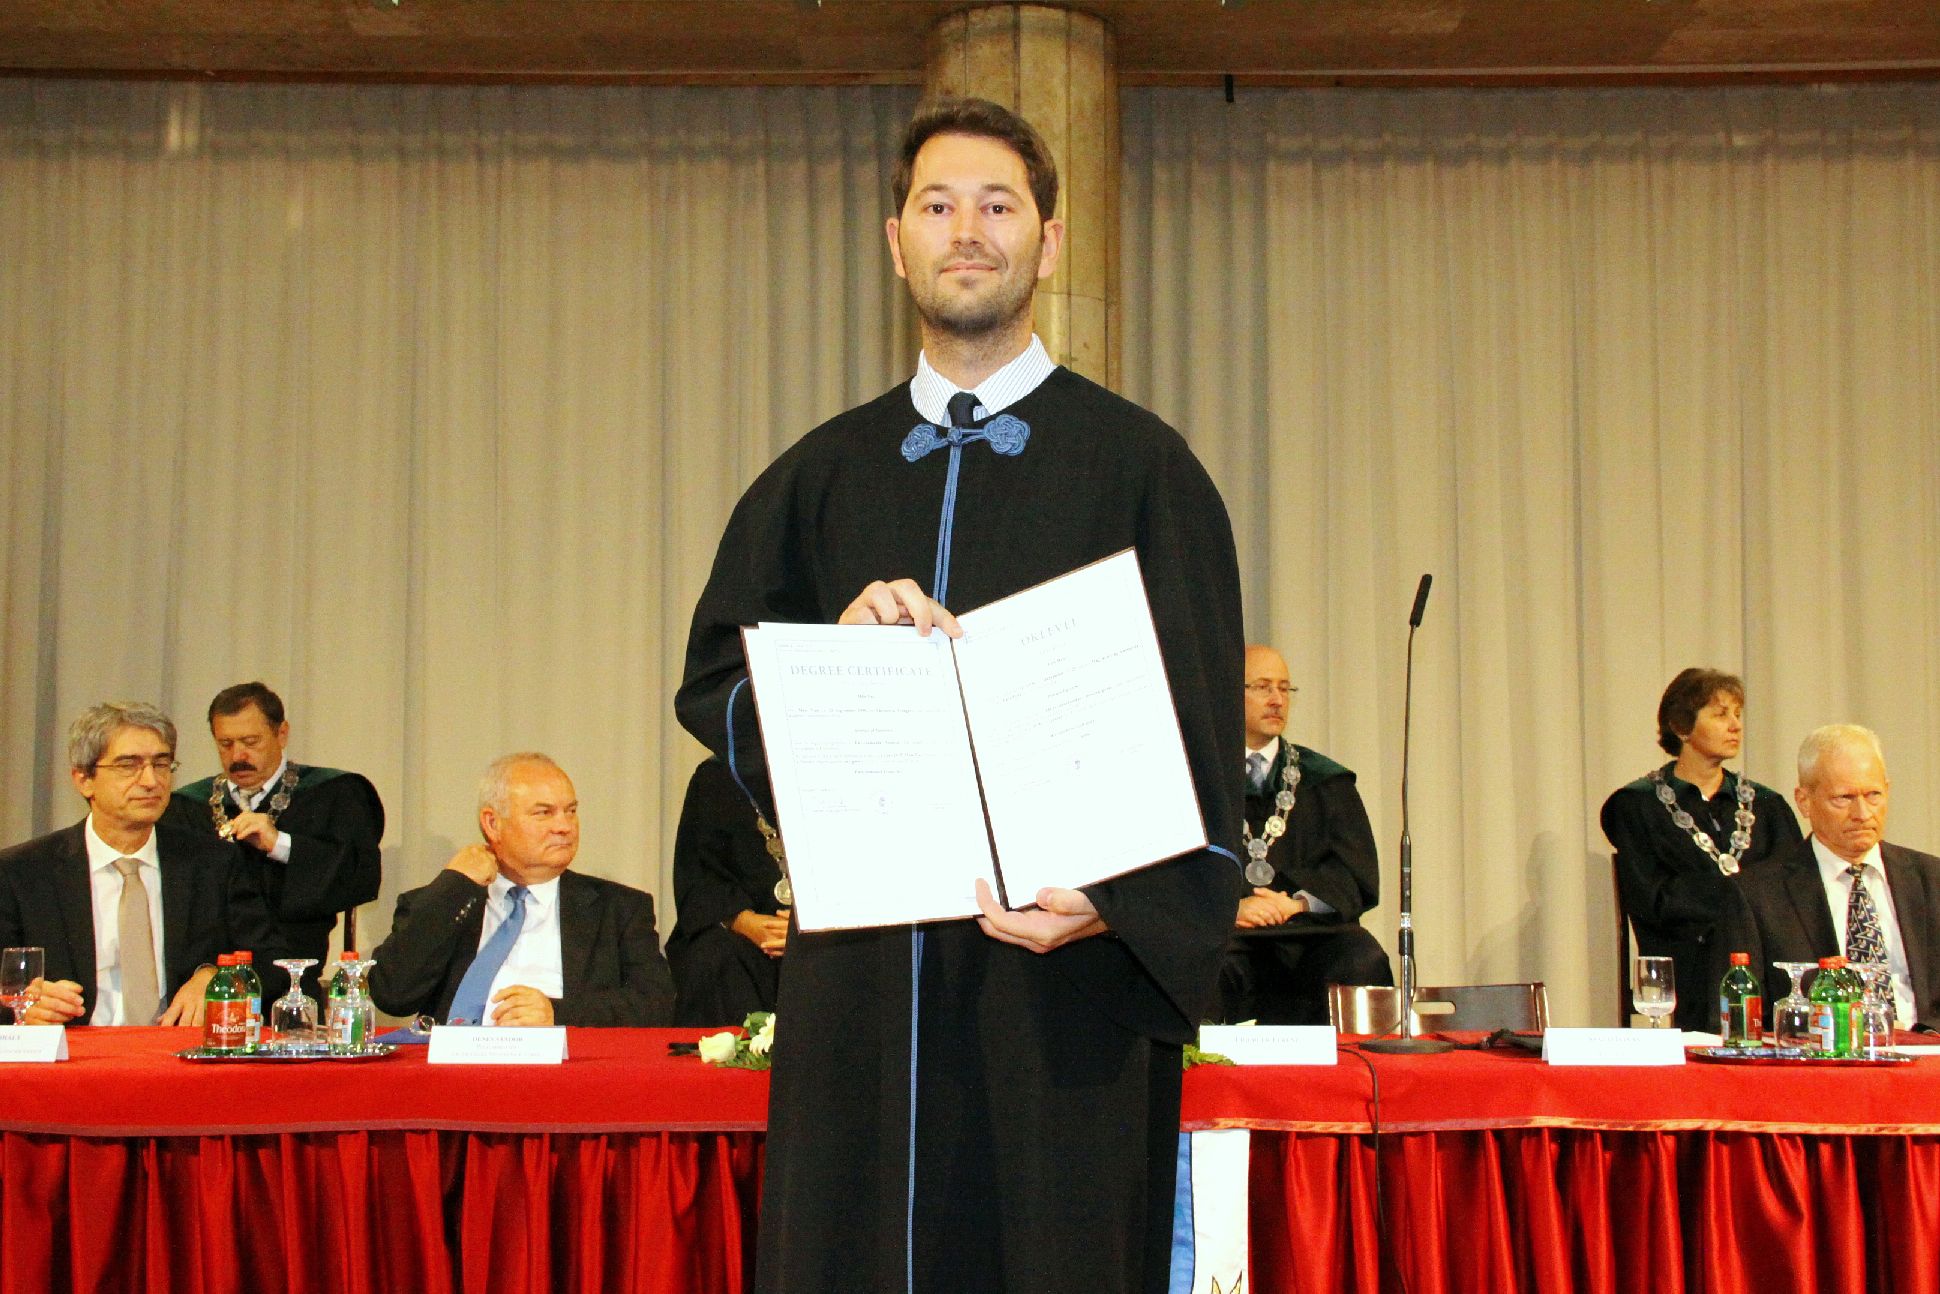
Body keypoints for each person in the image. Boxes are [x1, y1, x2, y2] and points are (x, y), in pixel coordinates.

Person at [676, 97, 1244, 1294]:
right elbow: (717, 685)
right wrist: (827, 665)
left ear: (1048, 239)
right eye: (937, 206)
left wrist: (1115, 901)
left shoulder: (1143, 469)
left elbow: (1200, 736)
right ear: (897, 244)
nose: (967, 230)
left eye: (998, 205)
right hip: (859, 1001)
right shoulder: (815, 477)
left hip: (1062, 1001)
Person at [0, 702, 264, 1026]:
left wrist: (215, 976)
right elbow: (8, 989)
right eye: (129, 765)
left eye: (161, 764)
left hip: (177, 1050)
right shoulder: (22, 873)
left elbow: (270, 961)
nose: (151, 780)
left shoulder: (213, 864)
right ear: (84, 779)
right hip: (75, 1049)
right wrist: (24, 1008)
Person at [368, 753, 673, 1026]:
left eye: (570, 811)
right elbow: (392, 996)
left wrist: (557, 1015)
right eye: (544, 813)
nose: (564, 826)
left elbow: (656, 1004)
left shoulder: (618, 908)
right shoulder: (446, 901)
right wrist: (454, 885)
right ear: (492, 823)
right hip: (454, 1065)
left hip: (562, 1065)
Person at [1601, 668, 1801, 1030]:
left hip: (1763, 964)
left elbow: (1790, 891)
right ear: (1681, 726)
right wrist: (1735, 897)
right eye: (1721, 714)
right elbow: (1651, 899)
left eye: (1737, 714)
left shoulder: (1769, 807)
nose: (1735, 725)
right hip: (1687, 966)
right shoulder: (1637, 806)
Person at [165, 682, 383, 1000]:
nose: (238, 756)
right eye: (225, 744)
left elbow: (359, 876)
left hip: (292, 985)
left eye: (250, 742)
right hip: (202, 987)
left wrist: (280, 845)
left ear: (281, 734)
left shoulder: (333, 793)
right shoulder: (186, 807)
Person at [1215, 644, 1391, 1024]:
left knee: (1362, 959)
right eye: (1263, 687)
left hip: (1311, 935)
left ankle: (1356, 1064)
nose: (1277, 700)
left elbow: (1354, 874)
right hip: (1232, 936)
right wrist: (1232, 908)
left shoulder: (1324, 780)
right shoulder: (1200, 780)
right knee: (1201, 965)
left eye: (1284, 688)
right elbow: (1180, 873)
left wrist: (1296, 903)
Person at [1722, 724, 1940, 1030]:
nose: (1862, 813)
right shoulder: (1759, 894)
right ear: (1804, 801)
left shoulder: (1931, 879)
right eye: (1843, 798)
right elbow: (1740, 1022)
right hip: (1819, 1054)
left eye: (1873, 795)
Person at [666, 757, 788, 1027]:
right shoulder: (717, 776)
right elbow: (699, 876)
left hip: (826, 936)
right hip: (746, 938)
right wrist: (744, 921)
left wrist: (809, 927)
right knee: (714, 956)